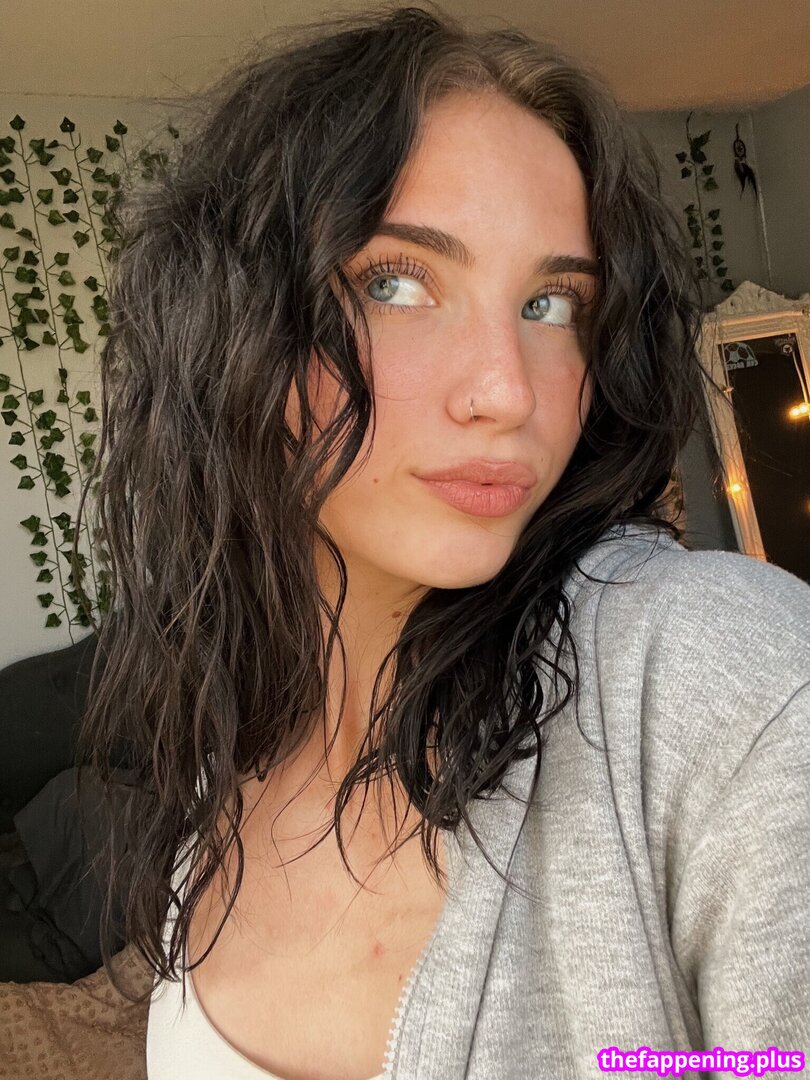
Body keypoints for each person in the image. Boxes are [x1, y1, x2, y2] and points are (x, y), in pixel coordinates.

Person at [2, 5, 808, 1080]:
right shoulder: (225, 751)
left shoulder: (719, 682)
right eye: (396, 283)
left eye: (553, 303)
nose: (507, 391)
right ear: (235, 327)